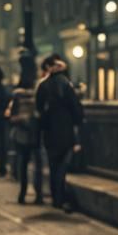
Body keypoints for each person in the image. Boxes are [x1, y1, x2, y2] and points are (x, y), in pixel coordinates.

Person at [37, 53, 83, 210]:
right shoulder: (67, 85)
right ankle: (60, 197)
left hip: (50, 132)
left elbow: (39, 109)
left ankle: (55, 196)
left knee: (52, 165)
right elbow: (76, 108)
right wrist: (77, 123)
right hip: (66, 131)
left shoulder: (43, 86)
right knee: (63, 167)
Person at [7, 55, 42, 205]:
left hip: (22, 133)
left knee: (23, 164)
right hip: (35, 132)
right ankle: (38, 195)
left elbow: (11, 115)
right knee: (37, 165)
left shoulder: (18, 94)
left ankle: (22, 194)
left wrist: (19, 119)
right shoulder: (38, 90)